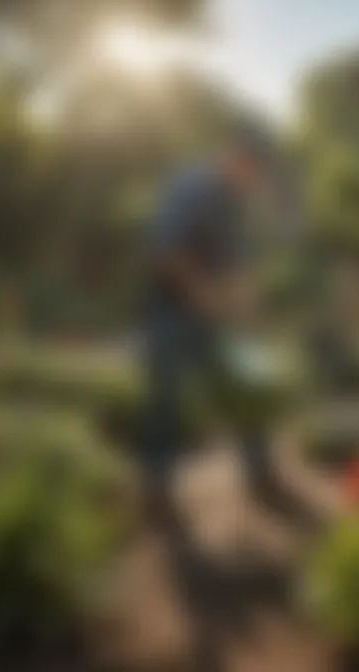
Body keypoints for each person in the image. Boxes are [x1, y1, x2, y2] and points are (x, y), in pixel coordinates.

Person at [139, 123, 278, 525]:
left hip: (216, 317)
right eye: (251, 170)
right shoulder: (191, 187)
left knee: (252, 384)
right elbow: (166, 251)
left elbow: (236, 264)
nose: (252, 182)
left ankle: (261, 474)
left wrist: (248, 306)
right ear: (234, 157)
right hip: (170, 311)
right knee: (165, 401)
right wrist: (204, 298)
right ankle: (156, 490)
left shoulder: (233, 202)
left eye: (258, 175)